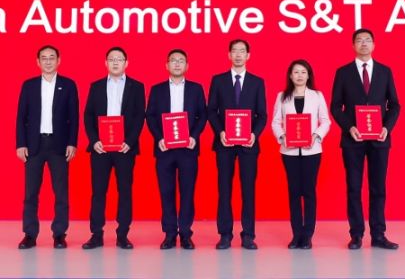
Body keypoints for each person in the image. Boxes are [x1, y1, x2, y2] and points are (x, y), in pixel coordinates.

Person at [330, 29, 401, 250]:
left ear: (374, 45)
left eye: (368, 40)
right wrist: (349, 127)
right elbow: (335, 106)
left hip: (379, 139)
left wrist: (386, 128)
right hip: (353, 139)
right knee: (354, 187)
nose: (364, 43)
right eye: (359, 40)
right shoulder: (343, 72)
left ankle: (379, 235)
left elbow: (394, 105)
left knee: (378, 188)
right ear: (353, 45)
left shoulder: (385, 71)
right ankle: (356, 234)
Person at [81, 46, 146, 249]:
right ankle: (96, 234)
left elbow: (139, 116)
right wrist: (94, 141)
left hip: (124, 148)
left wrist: (130, 141)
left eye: (119, 59)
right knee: (98, 192)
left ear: (126, 63)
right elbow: (88, 115)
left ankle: (122, 234)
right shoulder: (96, 86)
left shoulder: (137, 86)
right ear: (106, 63)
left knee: (124, 191)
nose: (115, 62)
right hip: (101, 148)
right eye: (111, 59)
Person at [15, 45, 79, 249]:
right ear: (38, 62)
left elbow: (74, 117)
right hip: (34, 145)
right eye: (44, 58)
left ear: (59, 60)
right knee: (31, 193)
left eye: (52, 57)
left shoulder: (68, 85)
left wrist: (72, 143)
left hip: (58, 145)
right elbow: (21, 117)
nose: (48, 61)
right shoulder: (29, 85)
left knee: (61, 192)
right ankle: (30, 234)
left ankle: (59, 234)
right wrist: (21, 144)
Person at [207, 39, 267, 250]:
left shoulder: (257, 82)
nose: (239, 55)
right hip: (224, 143)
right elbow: (211, 110)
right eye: (235, 51)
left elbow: (262, 114)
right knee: (224, 189)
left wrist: (254, 134)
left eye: (242, 51)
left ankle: (248, 234)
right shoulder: (218, 80)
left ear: (248, 55)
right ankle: (225, 234)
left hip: (248, 144)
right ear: (229, 55)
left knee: (248, 190)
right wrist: (220, 131)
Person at [146, 49, 208, 250]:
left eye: (181, 61)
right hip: (165, 148)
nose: (177, 64)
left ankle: (186, 234)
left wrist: (194, 136)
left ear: (187, 66)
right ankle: (170, 234)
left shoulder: (196, 89)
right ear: (167, 65)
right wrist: (159, 138)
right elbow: (150, 116)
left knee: (187, 192)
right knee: (166, 192)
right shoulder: (157, 89)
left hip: (188, 148)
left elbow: (203, 115)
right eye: (173, 60)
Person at [270, 59, 331, 249]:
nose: (299, 75)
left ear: (308, 75)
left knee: (309, 191)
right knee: (294, 192)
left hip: (312, 151)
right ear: (290, 75)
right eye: (296, 72)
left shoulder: (317, 96)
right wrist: (282, 136)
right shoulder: (282, 96)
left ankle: (308, 235)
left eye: (303, 72)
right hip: (289, 151)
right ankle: (296, 234)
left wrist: (316, 135)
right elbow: (275, 122)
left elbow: (325, 120)